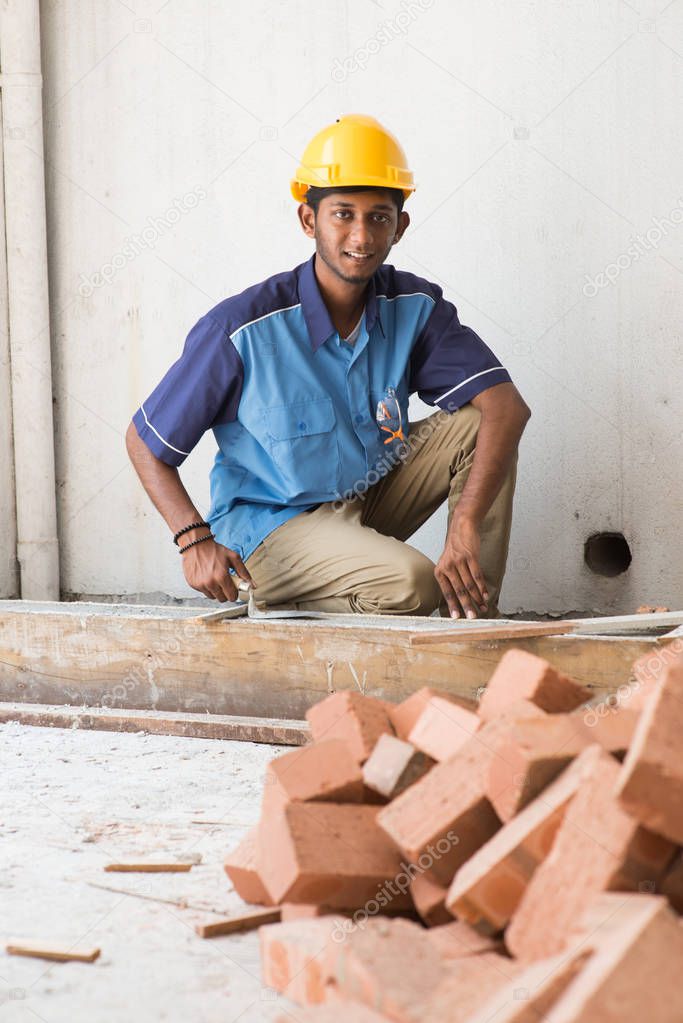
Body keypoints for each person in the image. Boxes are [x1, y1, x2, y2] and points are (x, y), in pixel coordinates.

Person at [126, 114, 530, 619]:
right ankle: (286, 595)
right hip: (273, 529)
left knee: (478, 423)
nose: (360, 236)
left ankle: (473, 626)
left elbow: (507, 407)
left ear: (399, 227)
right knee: (412, 585)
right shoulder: (241, 329)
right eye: (343, 214)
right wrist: (192, 539)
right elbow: (145, 442)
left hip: (366, 498)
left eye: (378, 217)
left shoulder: (414, 307)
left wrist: (465, 522)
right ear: (308, 219)